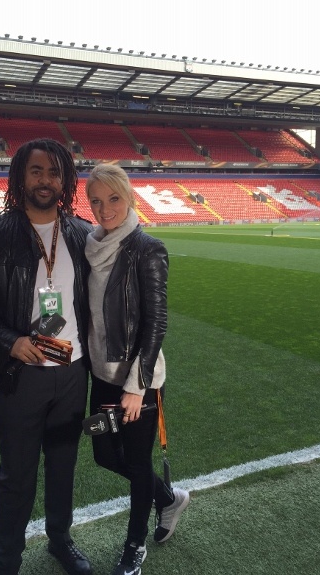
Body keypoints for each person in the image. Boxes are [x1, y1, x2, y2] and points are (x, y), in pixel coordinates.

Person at [0, 138, 93, 575]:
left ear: (65, 181)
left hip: (72, 372)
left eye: (54, 172)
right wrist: (10, 341)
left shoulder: (82, 233)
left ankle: (60, 540)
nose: (45, 180)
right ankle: (7, 562)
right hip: (20, 375)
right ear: (20, 176)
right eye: (36, 171)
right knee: (17, 475)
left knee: (63, 466)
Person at [84, 164, 190, 575]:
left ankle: (134, 545)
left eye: (113, 198)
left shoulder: (148, 249)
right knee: (104, 455)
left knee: (138, 462)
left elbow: (156, 323)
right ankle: (167, 498)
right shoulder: (92, 245)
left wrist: (137, 385)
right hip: (101, 376)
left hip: (137, 383)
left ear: (129, 198)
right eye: (96, 200)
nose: (104, 208)